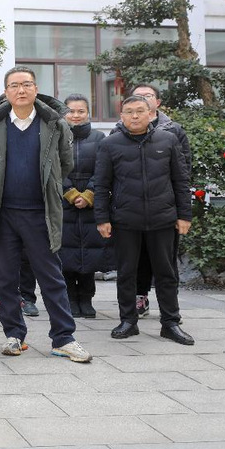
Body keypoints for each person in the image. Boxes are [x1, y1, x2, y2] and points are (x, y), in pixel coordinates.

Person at [0, 66, 92, 363]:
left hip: (40, 213)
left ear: (35, 88)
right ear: (6, 92)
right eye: (14, 85)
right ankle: (14, 334)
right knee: (5, 278)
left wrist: (49, 186)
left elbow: (65, 164)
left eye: (27, 84)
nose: (21, 90)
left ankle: (64, 338)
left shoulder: (54, 123)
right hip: (3, 213)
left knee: (51, 277)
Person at [94, 95, 195, 346]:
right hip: (125, 220)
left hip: (163, 219)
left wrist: (184, 215)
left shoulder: (168, 140)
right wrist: (102, 218)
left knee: (166, 273)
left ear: (151, 114)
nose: (135, 116)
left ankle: (170, 322)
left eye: (140, 111)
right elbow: (101, 185)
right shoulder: (110, 144)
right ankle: (128, 321)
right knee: (126, 273)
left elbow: (181, 181)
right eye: (129, 112)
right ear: (121, 116)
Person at [126, 84, 192, 318]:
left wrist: (182, 211)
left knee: (166, 262)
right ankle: (139, 298)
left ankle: (170, 312)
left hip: (164, 208)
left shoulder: (174, 131)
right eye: (138, 96)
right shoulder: (120, 131)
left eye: (148, 96)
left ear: (157, 102)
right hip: (131, 209)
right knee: (136, 259)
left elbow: (183, 171)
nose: (143, 100)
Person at [58, 94, 108, 319]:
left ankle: (86, 299)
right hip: (63, 203)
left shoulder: (99, 138)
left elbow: (104, 170)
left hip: (92, 204)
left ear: (88, 113)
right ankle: (70, 298)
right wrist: (69, 192)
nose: (76, 115)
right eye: (71, 111)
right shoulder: (56, 137)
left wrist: (89, 194)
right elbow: (53, 168)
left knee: (90, 253)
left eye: (81, 111)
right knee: (65, 253)